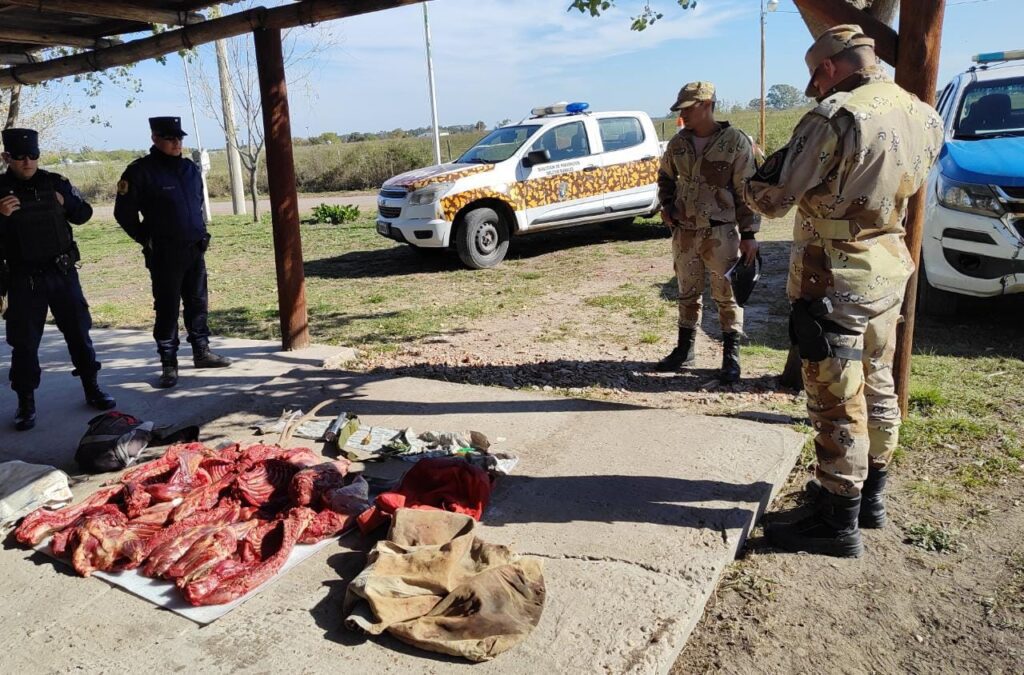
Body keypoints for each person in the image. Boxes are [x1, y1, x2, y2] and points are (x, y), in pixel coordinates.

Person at [744, 25, 944, 557]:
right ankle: (870, 495)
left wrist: (756, 178)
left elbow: (775, 200)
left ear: (829, 67)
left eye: (815, 76)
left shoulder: (835, 116)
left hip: (833, 275)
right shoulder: (924, 113)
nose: (813, 87)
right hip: (888, 265)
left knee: (835, 396)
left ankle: (836, 518)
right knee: (877, 379)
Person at [0, 128, 115, 431]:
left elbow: (84, 214)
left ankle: (92, 387)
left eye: (33, 155)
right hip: (25, 279)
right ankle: (26, 403)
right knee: (25, 344)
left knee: (79, 333)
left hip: (62, 274)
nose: (28, 162)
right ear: (6, 157)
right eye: (20, 156)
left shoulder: (55, 182)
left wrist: (68, 204)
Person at [114, 116, 231, 389]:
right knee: (167, 308)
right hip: (165, 254)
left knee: (198, 303)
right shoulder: (140, 171)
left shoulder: (189, 169)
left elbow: (196, 204)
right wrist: (147, 239)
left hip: (194, 250)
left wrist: (200, 232)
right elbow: (124, 214)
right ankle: (168, 363)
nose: (177, 143)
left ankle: (201, 352)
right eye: (170, 138)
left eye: (179, 138)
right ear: (155, 139)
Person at [656, 81, 760, 384]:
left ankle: (731, 358)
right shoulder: (679, 143)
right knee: (687, 292)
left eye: (688, 109)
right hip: (685, 232)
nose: (683, 115)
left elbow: (746, 192)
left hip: (721, 232)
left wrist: (749, 234)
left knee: (727, 296)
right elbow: (665, 177)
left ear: (706, 105)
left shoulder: (735, 142)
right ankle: (684, 350)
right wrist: (667, 206)